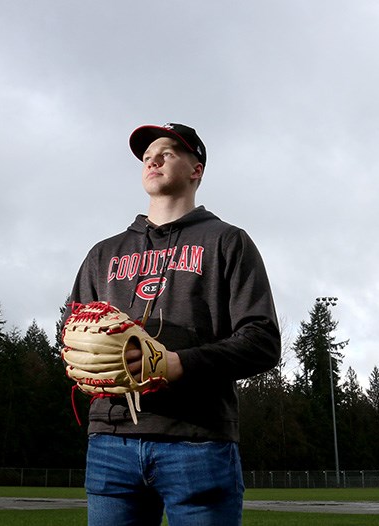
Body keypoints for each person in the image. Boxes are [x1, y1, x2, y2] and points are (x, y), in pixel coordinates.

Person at [65, 122, 281, 526]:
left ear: (196, 169)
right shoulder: (104, 253)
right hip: (111, 441)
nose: (153, 159)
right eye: (147, 155)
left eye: (167, 151)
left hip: (197, 441)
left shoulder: (227, 241)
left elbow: (263, 340)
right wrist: (82, 357)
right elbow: (70, 330)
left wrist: (176, 363)